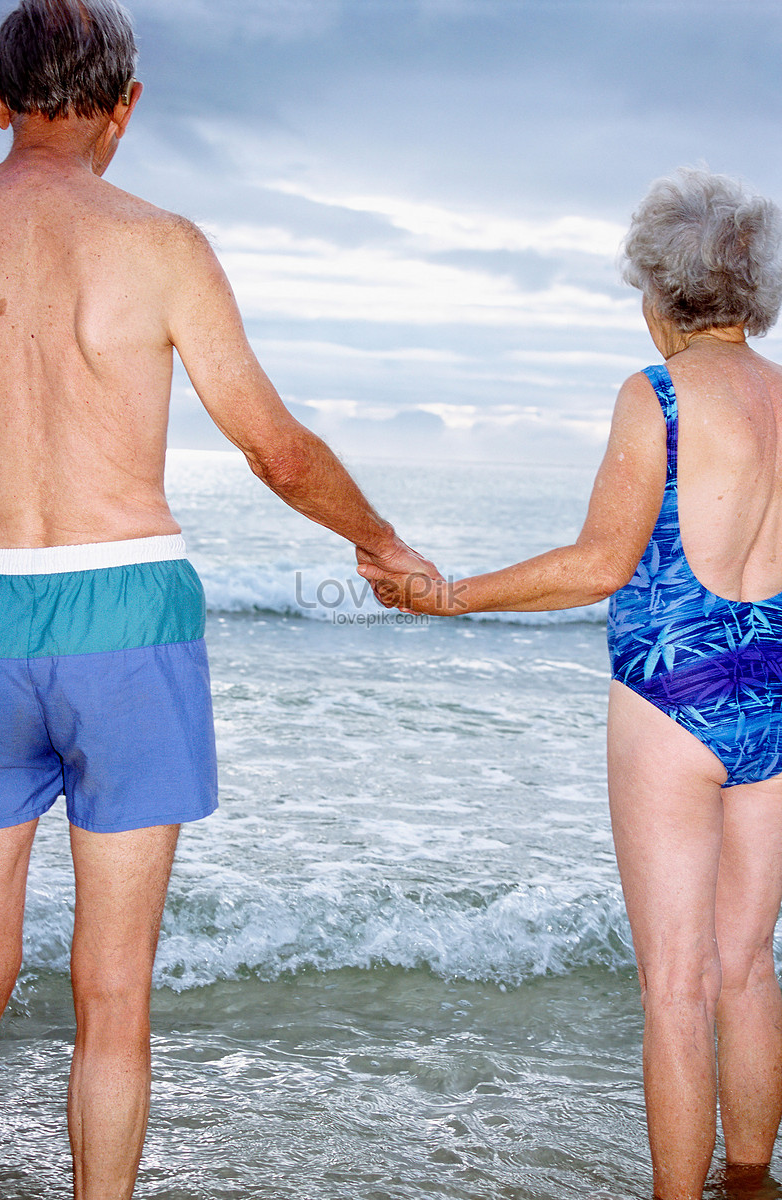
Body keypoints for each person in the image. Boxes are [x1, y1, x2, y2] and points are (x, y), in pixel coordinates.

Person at [0, 2, 435, 1197]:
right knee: (112, 989)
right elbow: (275, 450)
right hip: (125, 617)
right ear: (124, 109)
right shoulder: (161, 244)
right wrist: (379, 542)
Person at [360, 167, 782, 1200]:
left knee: (675, 990)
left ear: (655, 295)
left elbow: (598, 564)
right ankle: (748, 1182)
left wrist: (448, 595)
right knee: (747, 969)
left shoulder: (655, 397)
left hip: (667, 700)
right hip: (772, 698)